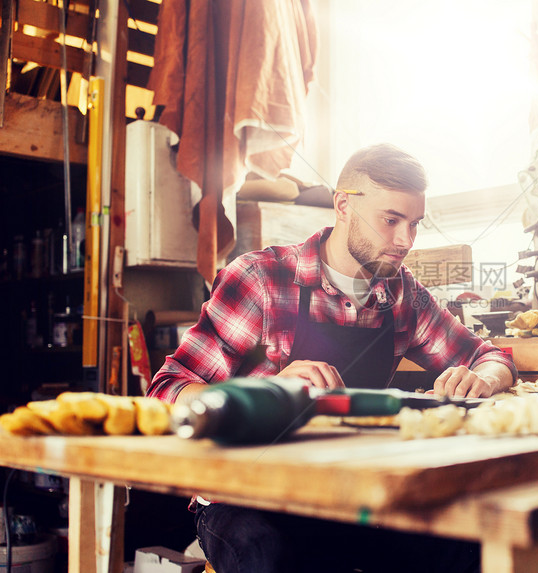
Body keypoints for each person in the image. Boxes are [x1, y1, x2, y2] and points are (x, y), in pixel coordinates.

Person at [147, 143, 516, 573]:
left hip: (348, 492)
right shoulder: (261, 279)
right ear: (344, 205)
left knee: (468, 547)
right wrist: (263, 393)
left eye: (414, 224)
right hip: (244, 495)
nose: (405, 241)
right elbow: (166, 391)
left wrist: (485, 378)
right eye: (391, 220)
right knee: (271, 556)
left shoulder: (403, 295)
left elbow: (488, 356)